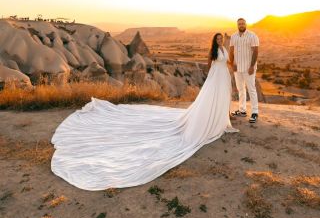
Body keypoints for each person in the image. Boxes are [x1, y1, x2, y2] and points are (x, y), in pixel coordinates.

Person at [50, 32, 238, 191]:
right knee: (211, 101)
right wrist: (212, 76)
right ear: (215, 41)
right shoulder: (214, 51)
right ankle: (212, 121)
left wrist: (230, 68)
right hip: (215, 78)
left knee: (222, 100)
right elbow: (209, 65)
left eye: (222, 39)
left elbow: (228, 63)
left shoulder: (223, 50)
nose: (221, 40)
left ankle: (220, 120)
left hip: (223, 77)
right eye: (219, 39)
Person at [229, 17, 260, 123]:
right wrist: (232, 63)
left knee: (251, 89)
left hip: (248, 68)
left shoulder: (252, 36)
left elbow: (256, 52)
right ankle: (242, 110)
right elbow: (231, 51)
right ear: (237, 25)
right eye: (239, 24)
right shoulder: (233, 36)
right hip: (238, 68)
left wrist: (252, 66)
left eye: (243, 23)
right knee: (240, 89)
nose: (241, 25)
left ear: (246, 24)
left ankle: (255, 112)